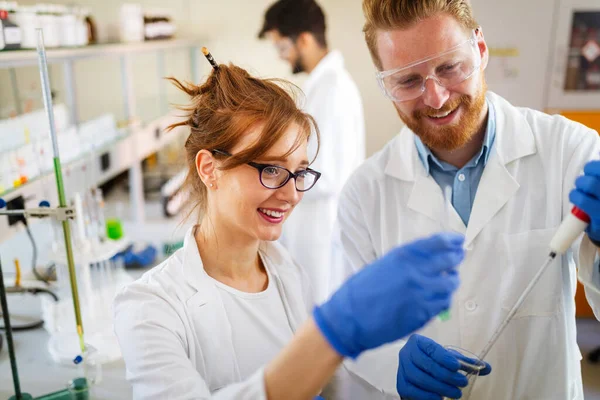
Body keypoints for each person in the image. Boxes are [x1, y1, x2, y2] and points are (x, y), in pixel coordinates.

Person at [113, 60, 468, 400]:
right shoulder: (150, 308)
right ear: (209, 169)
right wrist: (333, 333)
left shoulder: (286, 272)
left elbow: (320, 379)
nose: (292, 193)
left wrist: (393, 371)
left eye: (299, 172)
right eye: (270, 169)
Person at [333, 0, 600, 399]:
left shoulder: (569, 151)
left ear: (480, 49)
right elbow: (357, 330)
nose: (436, 98)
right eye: (408, 80)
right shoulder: (364, 193)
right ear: (384, 83)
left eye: (449, 67)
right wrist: (393, 367)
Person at [258, 0, 365, 301]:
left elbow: (327, 174)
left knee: (315, 318)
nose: (283, 57)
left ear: (303, 39)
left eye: (282, 47)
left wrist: (269, 173)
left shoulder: (331, 89)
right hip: (314, 226)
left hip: (320, 229)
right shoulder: (324, 86)